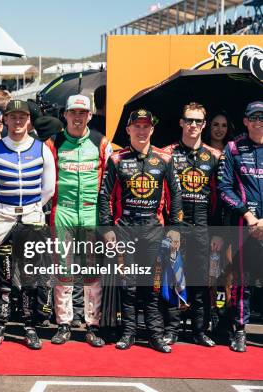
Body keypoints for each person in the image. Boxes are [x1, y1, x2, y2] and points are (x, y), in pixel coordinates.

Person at [98, 109, 183, 353]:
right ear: (128, 130)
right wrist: (107, 229)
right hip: (125, 230)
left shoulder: (165, 159)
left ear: (152, 129)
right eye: (137, 126)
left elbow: (175, 195)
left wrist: (175, 230)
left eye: (146, 126)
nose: (142, 130)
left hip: (155, 230)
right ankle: (129, 332)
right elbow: (104, 196)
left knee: (153, 286)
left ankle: (155, 335)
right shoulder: (117, 159)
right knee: (129, 285)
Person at [0, 99, 55, 350]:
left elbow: (48, 189)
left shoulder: (43, 149)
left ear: (28, 120)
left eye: (22, 116)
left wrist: (30, 209)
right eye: (13, 117)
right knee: (3, 276)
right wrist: (4, 208)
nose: (18, 121)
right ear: (6, 120)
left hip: (32, 217)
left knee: (30, 277)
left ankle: (29, 326)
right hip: (3, 218)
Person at [48, 95, 112, 348]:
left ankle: (92, 326)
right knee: (63, 271)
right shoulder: (54, 142)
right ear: (65, 114)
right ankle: (64, 324)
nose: (77, 117)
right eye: (73, 112)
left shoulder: (101, 142)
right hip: (62, 211)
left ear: (90, 115)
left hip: (91, 213)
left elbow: (110, 180)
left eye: (82, 113)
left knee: (92, 273)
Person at [161, 102, 220, 348]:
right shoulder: (166, 154)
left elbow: (220, 195)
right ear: (181, 122)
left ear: (204, 125)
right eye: (189, 120)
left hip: (203, 227)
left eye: (198, 121)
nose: (193, 125)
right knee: (173, 277)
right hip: (176, 226)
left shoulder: (214, 156)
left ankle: (199, 330)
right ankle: (171, 329)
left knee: (200, 280)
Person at [217, 100, 263, 353]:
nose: (258, 121)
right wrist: (247, 215)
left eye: (262, 117)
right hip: (245, 225)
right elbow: (224, 188)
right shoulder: (234, 148)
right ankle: (240, 331)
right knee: (242, 281)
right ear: (245, 121)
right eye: (253, 117)